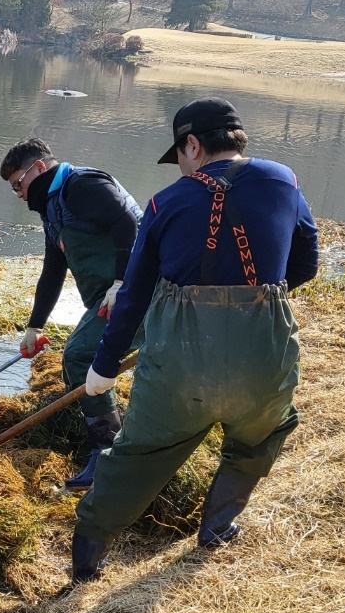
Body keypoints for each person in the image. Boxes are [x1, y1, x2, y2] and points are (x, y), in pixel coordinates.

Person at [68, 97, 319, 582]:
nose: (181, 166)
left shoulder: (167, 202)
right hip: (263, 358)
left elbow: (135, 295)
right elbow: (305, 263)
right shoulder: (284, 181)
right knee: (257, 440)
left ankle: (86, 563)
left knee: (136, 457)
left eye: (180, 155)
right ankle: (218, 529)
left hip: (180, 368)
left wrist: (102, 365)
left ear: (193, 144)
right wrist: (255, 303)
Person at [0, 138, 143, 488]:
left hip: (143, 288)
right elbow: (53, 271)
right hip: (108, 298)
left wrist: (121, 282)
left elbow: (130, 226)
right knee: (77, 358)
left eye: (18, 184)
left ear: (40, 168)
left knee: (79, 355)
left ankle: (107, 455)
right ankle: (105, 438)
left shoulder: (83, 186)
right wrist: (34, 326)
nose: (18, 194)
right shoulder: (54, 208)